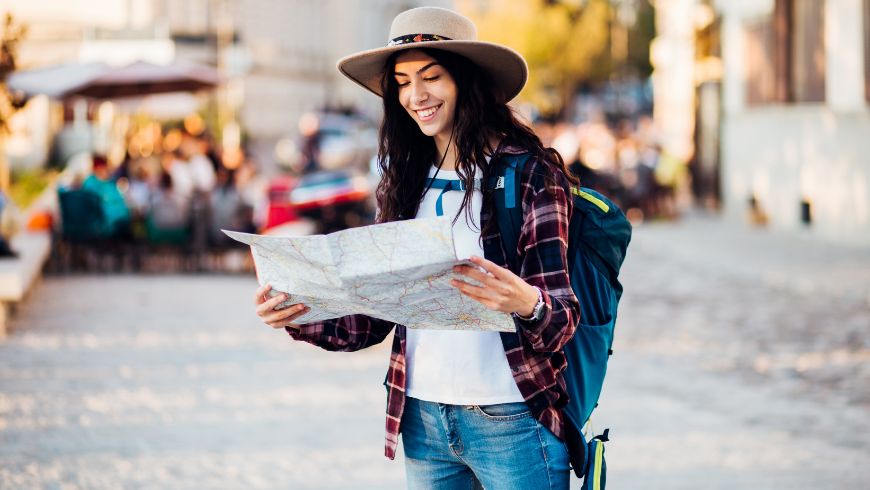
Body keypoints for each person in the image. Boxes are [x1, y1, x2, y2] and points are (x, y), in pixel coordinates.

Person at [253, 7, 579, 489]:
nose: (416, 95)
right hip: (423, 421)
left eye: (431, 76)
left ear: (466, 80)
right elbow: (373, 317)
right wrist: (298, 313)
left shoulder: (529, 175)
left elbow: (563, 320)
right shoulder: (403, 181)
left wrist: (524, 301)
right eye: (403, 82)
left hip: (512, 420)